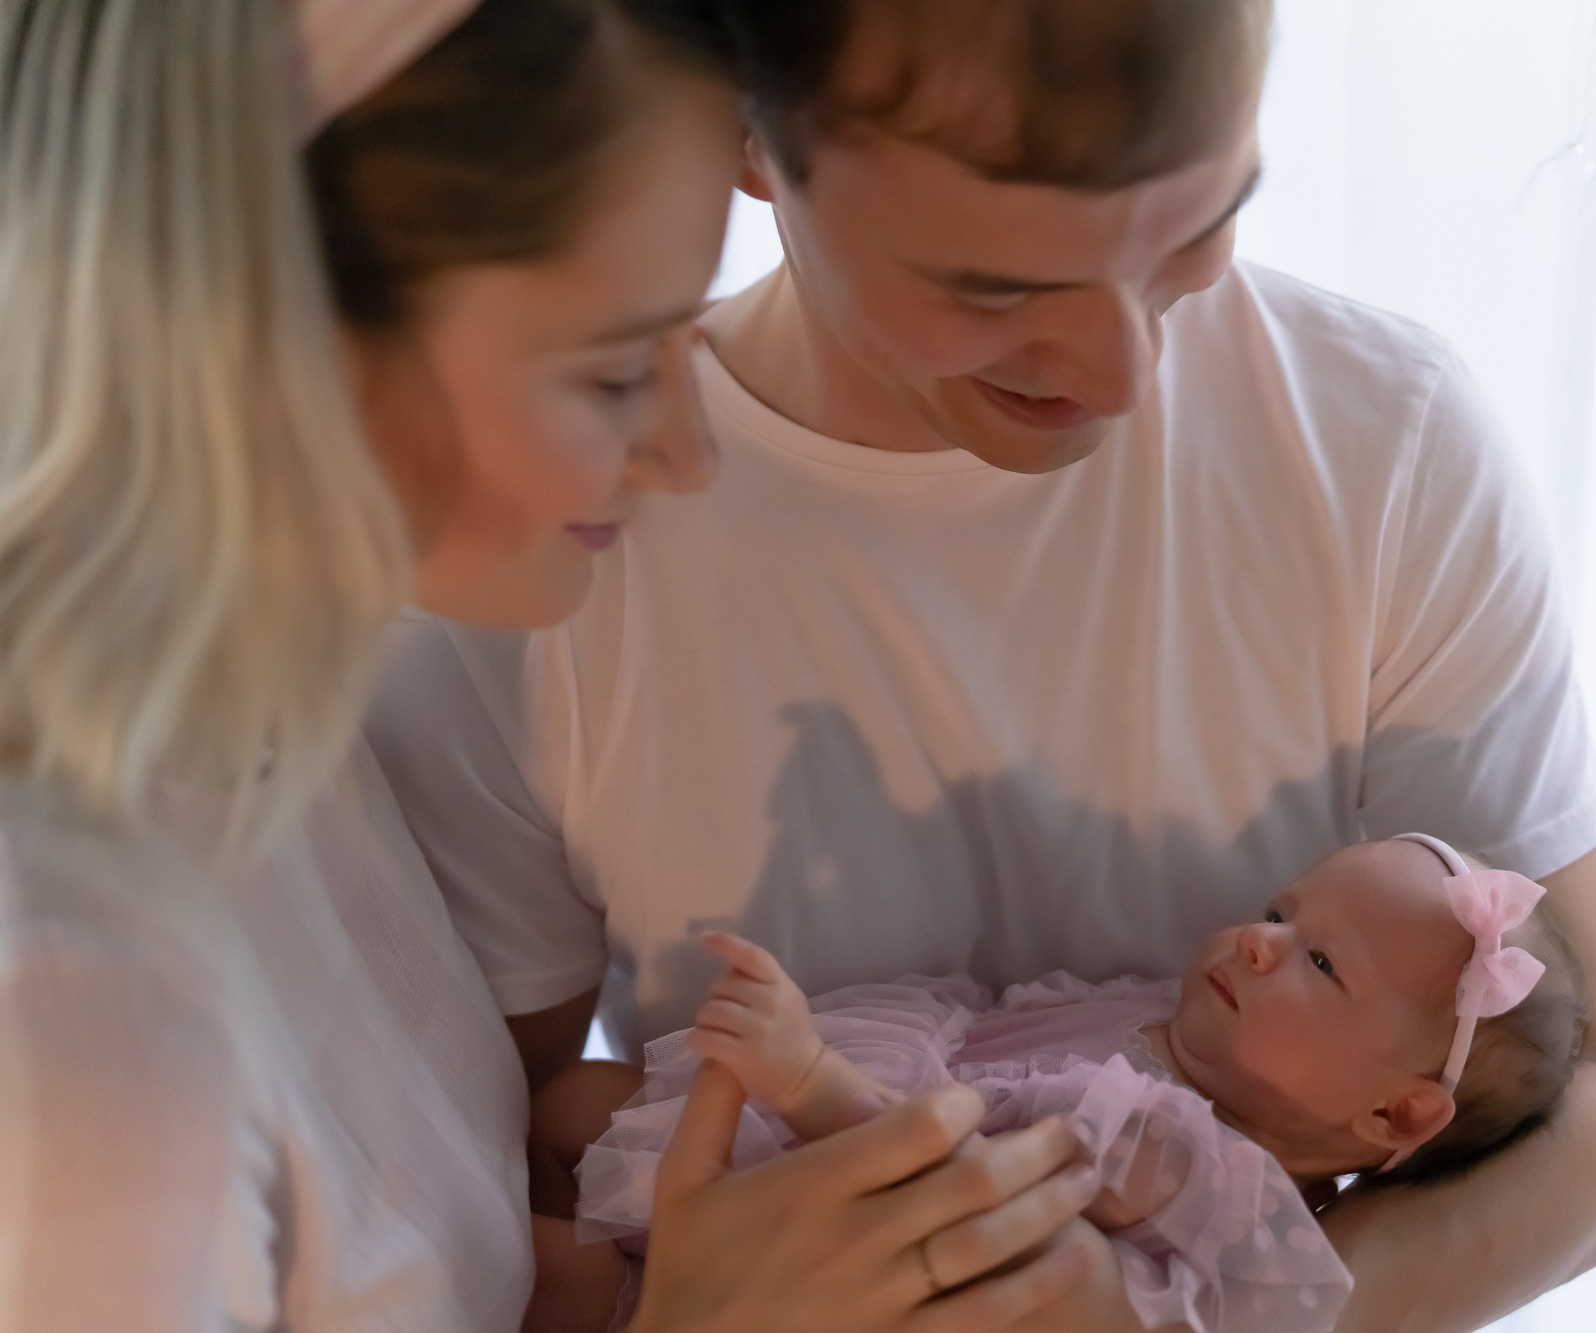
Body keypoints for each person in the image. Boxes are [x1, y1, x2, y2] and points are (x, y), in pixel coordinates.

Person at [369, 0, 1596, 1326]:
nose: (1122, 371)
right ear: (750, 146)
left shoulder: (1383, 442)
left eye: (1197, 222)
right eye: (993, 283)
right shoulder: (533, 545)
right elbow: (454, 1172)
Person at [0, 1, 1094, 1329]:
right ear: (268, 333)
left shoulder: (270, 735)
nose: (691, 457)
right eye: (618, 370)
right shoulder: (72, 1016)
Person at [532, 835, 1583, 1333]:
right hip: (807, 1151)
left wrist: (807, 1076)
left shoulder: (1195, 1165)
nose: (1262, 943)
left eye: (1318, 964)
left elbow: (962, 1194)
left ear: (1393, 1112)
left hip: (839, 1238)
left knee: (542, 1274)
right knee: (570, 1104)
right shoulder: (1162, 1019)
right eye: (1281, 912)